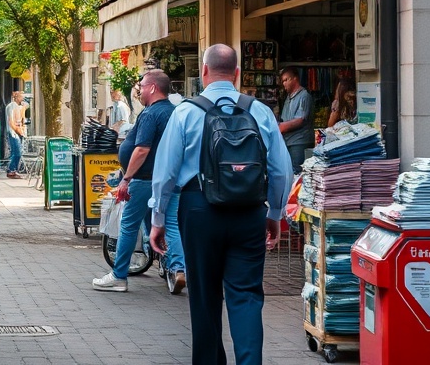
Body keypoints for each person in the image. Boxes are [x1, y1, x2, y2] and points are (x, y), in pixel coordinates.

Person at [149, 44, 293, 365]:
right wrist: (274, 214)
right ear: (237, 73)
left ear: (203, 72)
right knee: (246, 296)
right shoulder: (260, 111)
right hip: (249, 212)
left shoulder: (186, 111)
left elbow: (165, 173)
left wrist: (158, 219)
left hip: (199, 211)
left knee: (204, 297)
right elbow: (282, 170)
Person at [93, 70, 185, 294]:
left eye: (142, 86)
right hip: (170, 179)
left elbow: (142, 149)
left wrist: (126, 178)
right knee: (169, 224)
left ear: (152, 88)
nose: (139, 91)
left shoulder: (151, 113)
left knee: (128, 225)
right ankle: (179, 268)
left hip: (145, 180)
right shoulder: (174, 112)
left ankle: (119, 276)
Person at [279, 67, 314, 171]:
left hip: (299, 142)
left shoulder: (304, 96)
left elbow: (300, 120)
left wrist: (280, 127)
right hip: (289, 142)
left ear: (295, 79)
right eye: (283, 81)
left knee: (298, 173)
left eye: (286, 80)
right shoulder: (288, 98)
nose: (284, 83)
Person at [5, 91, 27, 179]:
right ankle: (11, 170)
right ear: (17, 97)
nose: (23, 99)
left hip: (17, 132)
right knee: (17, 152)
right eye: (22, 97)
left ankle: (13, 170)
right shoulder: (12, 106)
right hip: (13, 133)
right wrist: (19, 131)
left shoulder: (17, 107)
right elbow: (11, 121)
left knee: (17, 152)